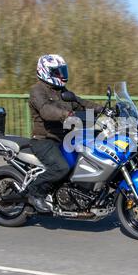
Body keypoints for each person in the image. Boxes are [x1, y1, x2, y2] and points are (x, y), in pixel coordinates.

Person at [27, 54, 102, 212]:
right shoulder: (37, 90)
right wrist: (66, 115)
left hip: (64, 138)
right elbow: (46, 110)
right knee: (61, 167)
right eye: (58, 72)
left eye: (63, 71)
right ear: (45, 71)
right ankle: (35, 194)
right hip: (44, 140)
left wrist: (103, 109)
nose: (62, 75)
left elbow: (80, 103)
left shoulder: (61, 91)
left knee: (90, 156)